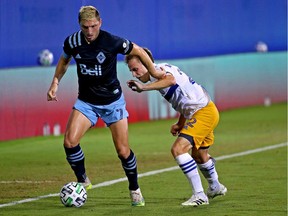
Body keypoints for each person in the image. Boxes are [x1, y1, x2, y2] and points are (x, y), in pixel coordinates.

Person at [47, 6, 162, 207]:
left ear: (100, 23)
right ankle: (83, 179)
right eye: (85, 27)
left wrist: (154, 71)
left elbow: (139, 50)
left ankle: (134, 189)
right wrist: (55, 82)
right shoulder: (73, 41)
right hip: (86, 102)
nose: (89, 32)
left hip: (112, 102)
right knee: (69, 142)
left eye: (93, 26)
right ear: (79, 25)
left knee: (122, 151)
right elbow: (64, 60)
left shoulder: (111, 41)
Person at [125, 48, 227, 207]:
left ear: (146, 63)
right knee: (199, 156)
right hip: (204, 109)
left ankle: (200, 195)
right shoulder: (163, 68)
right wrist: (180, 123)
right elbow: (184, 100)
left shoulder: (159, 72)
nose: (134, 74)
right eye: (131, 70)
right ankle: (215, 187)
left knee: (178, 149)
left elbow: (171, 81)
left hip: (203, 112)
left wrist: (143, 88)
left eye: (135, 69)